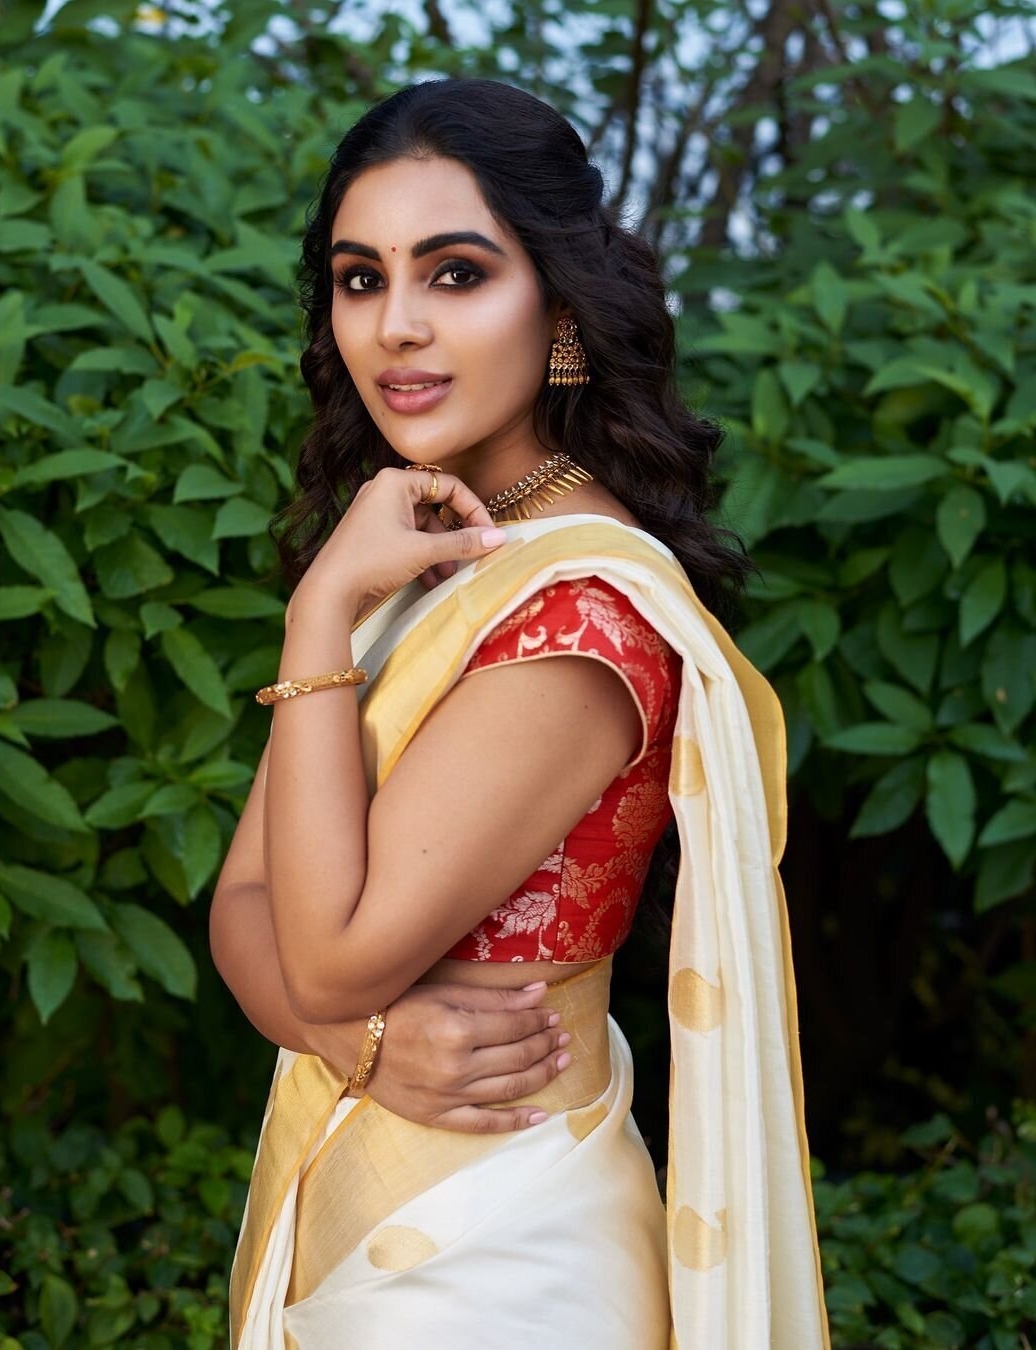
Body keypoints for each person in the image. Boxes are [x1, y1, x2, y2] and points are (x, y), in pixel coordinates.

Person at [209, 77, 830, 1349]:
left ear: (560, 310)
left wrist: (316, 614)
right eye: (361, 278)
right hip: (383, 1228)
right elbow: (240, 908)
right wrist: (364, 1044)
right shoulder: (427, 560)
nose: (396, 327)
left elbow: (325, 958)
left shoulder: (579, 616)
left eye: (455, 273)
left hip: (498, 1264)